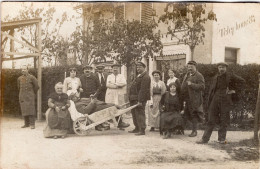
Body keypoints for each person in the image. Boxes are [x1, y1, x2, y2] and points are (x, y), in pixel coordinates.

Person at [197, 62, 245, 144]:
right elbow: (212, 90)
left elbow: (242, 81)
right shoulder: (215, 77)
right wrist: (210, 100)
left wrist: (234, 91)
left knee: (224, 120)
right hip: (215, 99)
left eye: (223, 67)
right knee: (211, 119)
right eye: (220, 67)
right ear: (218, 68)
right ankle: (204, 139)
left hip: (225, 99)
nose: (221, 69)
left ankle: (222, 139)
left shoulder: (230, 76)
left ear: (226, 68)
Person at [181, 61, 205, 137]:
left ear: (195, 67)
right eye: (188, 67)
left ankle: (194, 131)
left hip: (195, 99)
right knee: (186, 114)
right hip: (186, 98)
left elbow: (202, 86)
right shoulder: (187, 75)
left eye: (191, 67)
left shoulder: (199, 75)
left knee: (194, 114)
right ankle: (180, 130)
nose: (190, 68)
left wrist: (192, 84)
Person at [128, 61, 151, 135]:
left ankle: (142, 129)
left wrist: (140, 101)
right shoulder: (138, 75)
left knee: (140, 114)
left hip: (139, 99)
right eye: (137, 67)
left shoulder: (146, 77)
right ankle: (137, 127)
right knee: (134, 114)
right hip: (133, 98)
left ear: (144, 67)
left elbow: (143, 90)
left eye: (140, 67)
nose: (138, 68)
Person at [105, 63, 129, 129]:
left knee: (119, 108)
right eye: (114, 68)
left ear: (119, 69)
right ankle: (108, 125)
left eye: (116, 68)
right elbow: (108, 85)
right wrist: (118, 85)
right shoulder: (109, 76)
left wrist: (114, 84)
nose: (115, 69)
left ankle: (120, 123)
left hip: (119, 94)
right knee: (110, 107)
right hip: (110, 94)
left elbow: (124, 83)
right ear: (112, 69)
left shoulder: (121, 76)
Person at [18, 65, 39, 129]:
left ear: (27, 70)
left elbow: (37, 86)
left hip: (30, 96)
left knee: (31, 109)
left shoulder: (32, 77)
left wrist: (32, 93)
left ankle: (32, 124)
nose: (23, 71)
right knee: (24, 109)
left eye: (24, 69)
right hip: (22, 95)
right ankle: (26, 124)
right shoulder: (19, 78)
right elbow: (18, 87)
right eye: (22, 70)